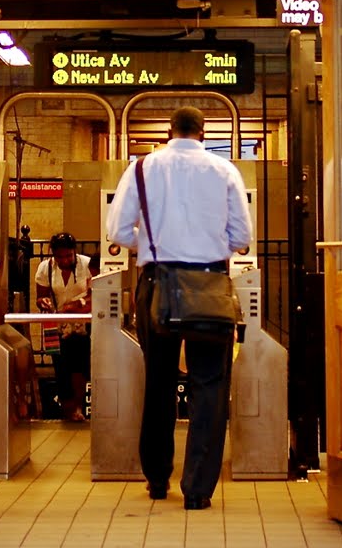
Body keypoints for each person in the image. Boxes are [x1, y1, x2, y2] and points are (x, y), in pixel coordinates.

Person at [106, 106, 253, 511]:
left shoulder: (141, 169)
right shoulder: (225, 172)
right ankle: (198, 489)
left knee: (159, 381)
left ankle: (157, 479)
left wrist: (154, 245)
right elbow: (242, 237)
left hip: (157, 282)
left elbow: (117, 231)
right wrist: (206, 249)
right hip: (209, 283)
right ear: (203, 133)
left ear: (169, 131)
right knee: (209, 384)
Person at [35, 231, 93, 421]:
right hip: (56, 323)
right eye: (59, 256)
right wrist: (43, 302)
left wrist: (76, 305)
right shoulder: (45, 268)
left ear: (74, 252)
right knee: (61, 367)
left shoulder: (87, 264)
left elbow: (96, 295)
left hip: (82, 323)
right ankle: (68, 410)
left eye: (68, 255)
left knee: (80, 365)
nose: (64, 260)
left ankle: (77, 408)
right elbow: (40, 296)